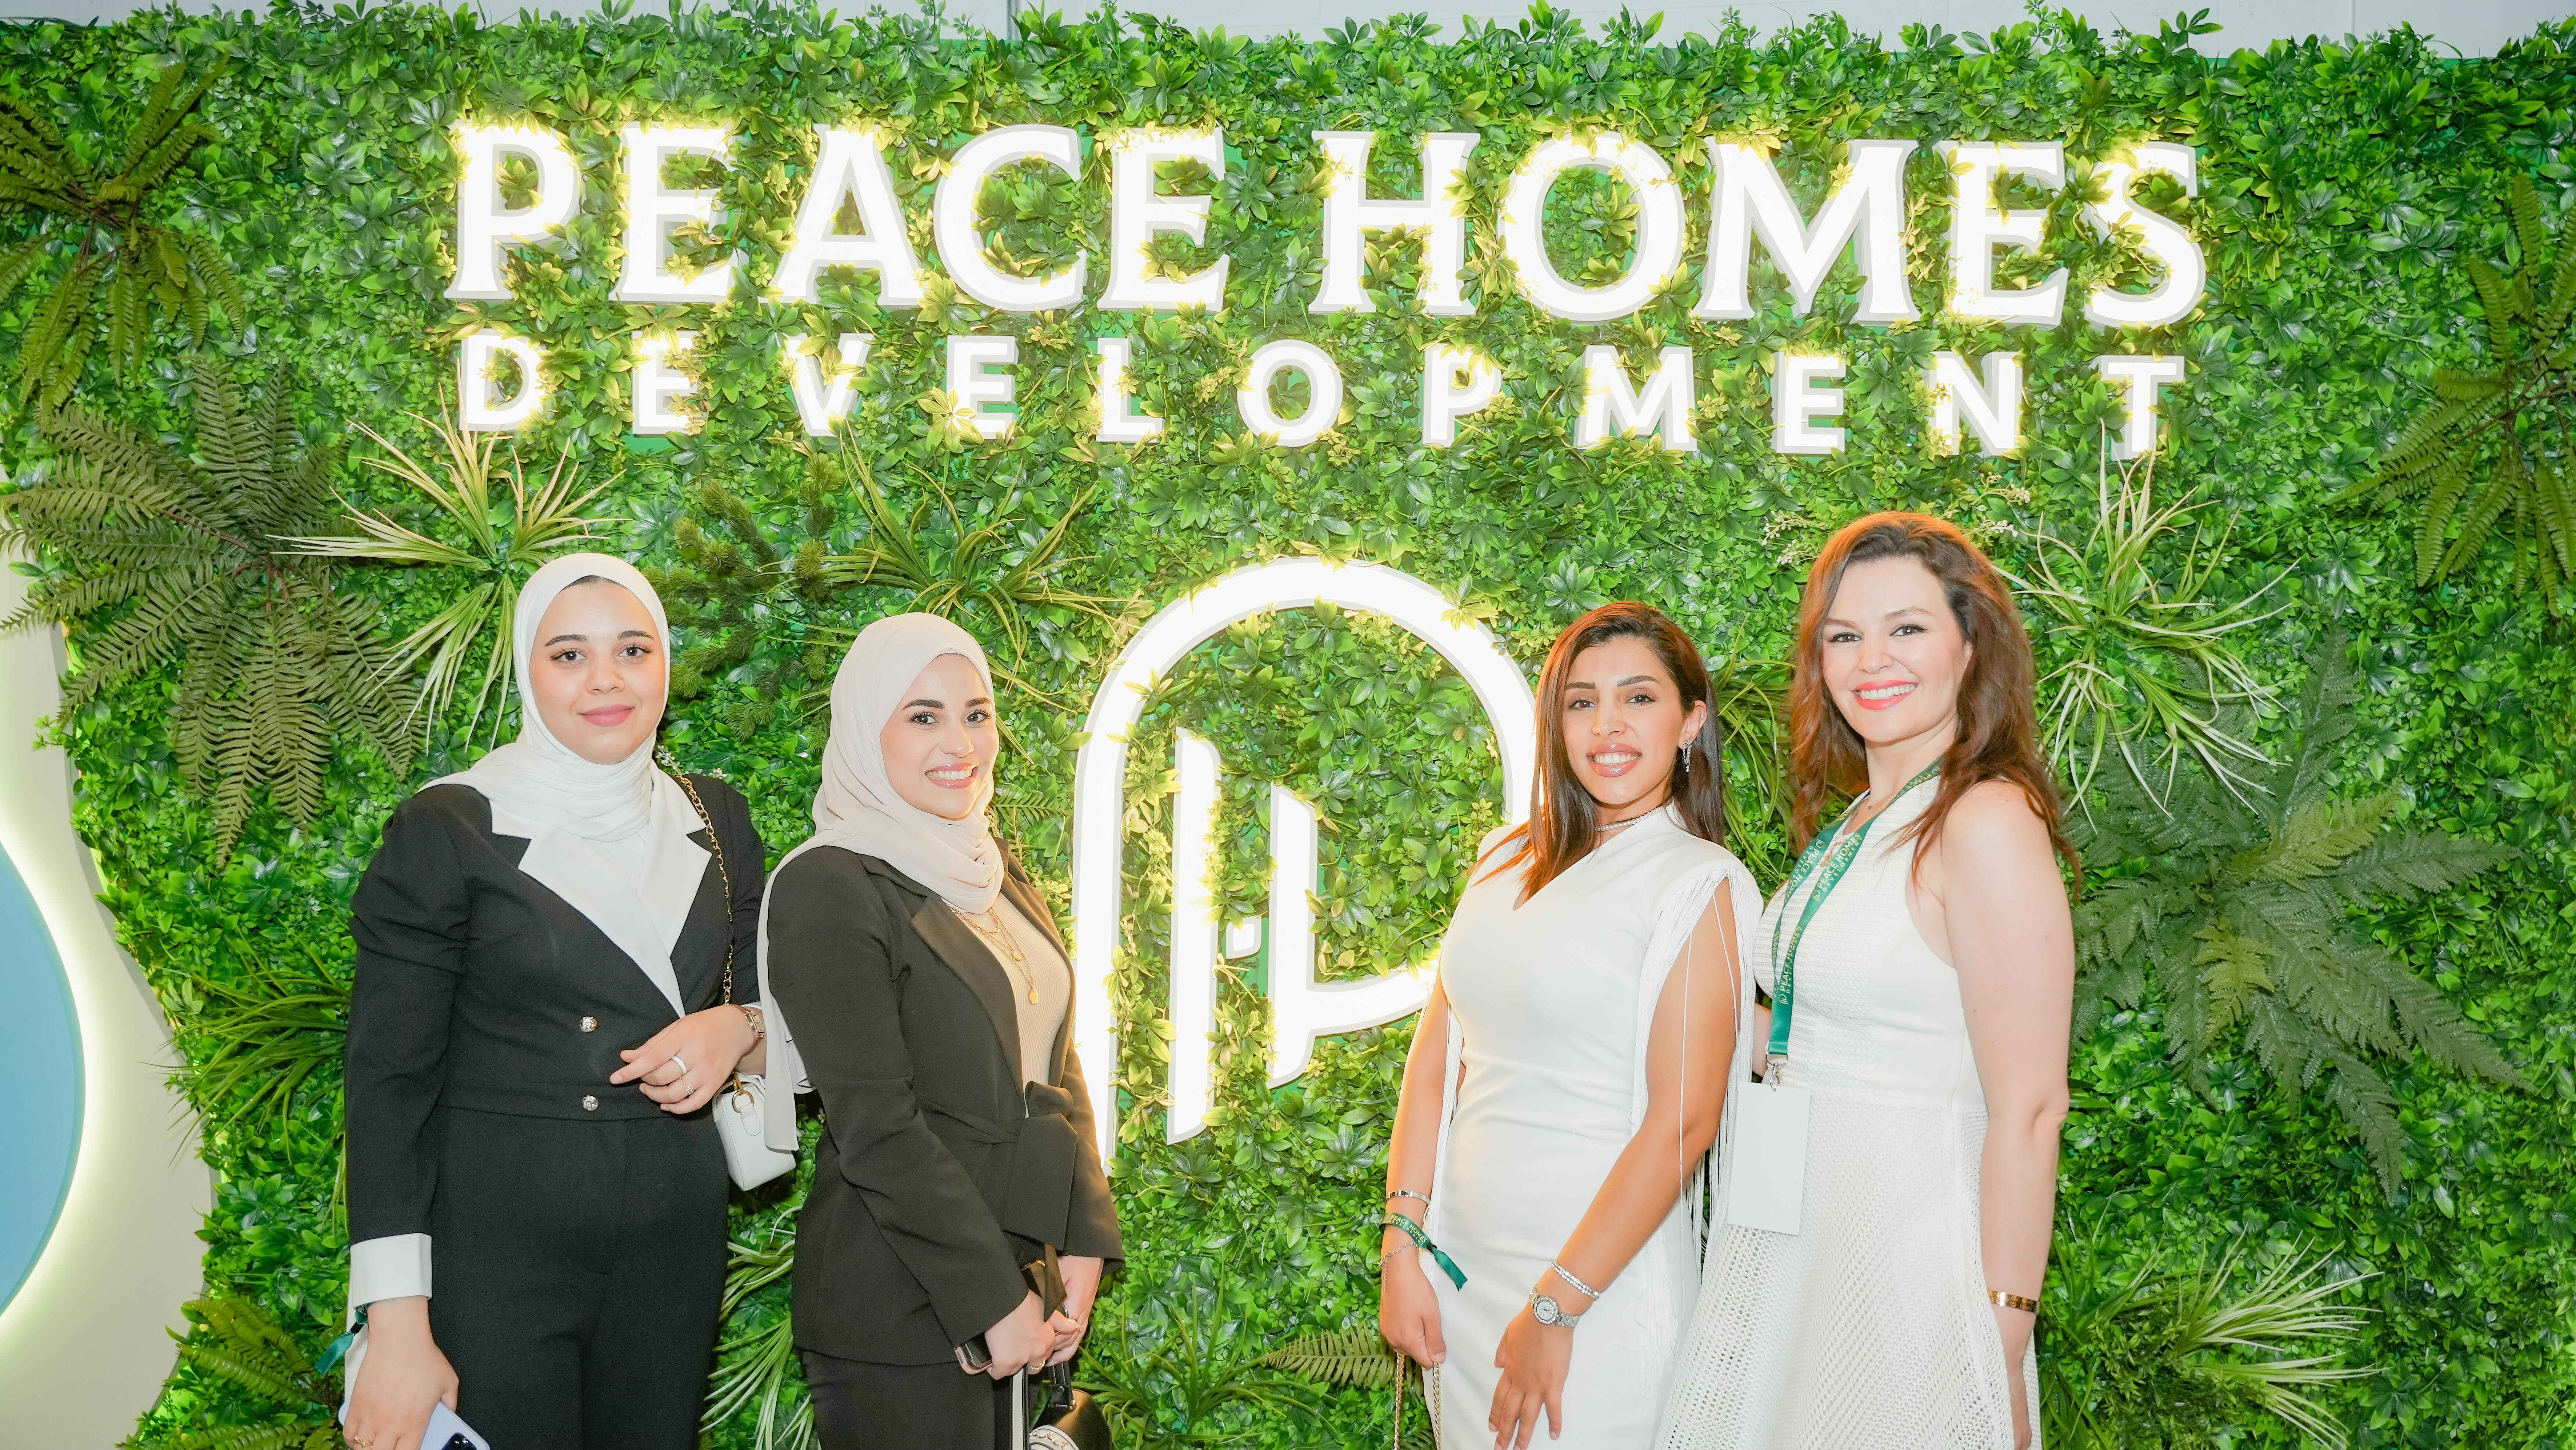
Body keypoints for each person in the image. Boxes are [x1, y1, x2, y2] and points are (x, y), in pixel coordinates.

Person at [1656, 513, 2077, 1450]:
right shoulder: (1860, 819)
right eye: (1844, 636)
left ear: (1971, 645)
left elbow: (2032, 1108)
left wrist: (1999, 1341)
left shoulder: (1984, 819)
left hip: (1909, 1263)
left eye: (1907, 628)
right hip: (1801, 1241)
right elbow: (1803, 1031)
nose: (1871, 660)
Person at [340, 553, 770, 1450]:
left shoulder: (716, 819)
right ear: (526, 672)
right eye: (570, 654)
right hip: (496, 1247)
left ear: (665, 666)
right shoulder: (451, 824)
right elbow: (387, 1082)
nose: (606, 679)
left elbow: (786, 1015)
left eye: (634, 650)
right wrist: (396, 1319)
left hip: (674, 1243)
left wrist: (739, 1027)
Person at [1378, 601, 1759, 1450]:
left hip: (1598, 1299)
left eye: (1639, 698)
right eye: (1582, 702)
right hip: (1463, 1280)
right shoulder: (1502, 857)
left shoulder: (1699, 883)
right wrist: (1402, 1244)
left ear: (1690, 722)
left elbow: (1684, 1123)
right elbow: (1437, 1062)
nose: (1607, 725)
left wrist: (1557, 1308)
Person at [759, 612, 1120, 1449]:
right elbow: (877, 1125)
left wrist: (1083, 1239)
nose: (960, 743)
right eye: (922, 716)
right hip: (899, 1301)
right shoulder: (831, 884)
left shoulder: (989, 867)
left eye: (976, 713)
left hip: (1023, 1277)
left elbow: (1056, 1063)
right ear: (865, 730)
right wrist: (991, 1297)